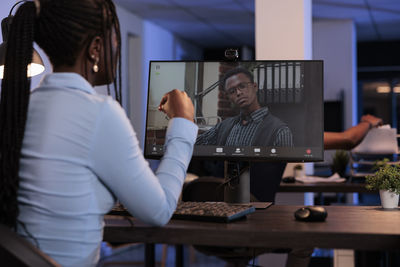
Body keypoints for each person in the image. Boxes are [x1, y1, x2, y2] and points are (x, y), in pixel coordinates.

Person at [0, 1, 197, 266]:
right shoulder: (100, 113)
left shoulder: (17, 109)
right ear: (95, 49)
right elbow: (158, 210)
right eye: (115, 38)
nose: (117, 48)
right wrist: (182, 122)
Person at [195, 67, 293, 147]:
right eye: (232, 91)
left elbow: (287, 169)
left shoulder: (279, 130)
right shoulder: (223, 126)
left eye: (242, 86)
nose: (238, 93)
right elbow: (195, 143)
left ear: (255, 87)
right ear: (229, 98)